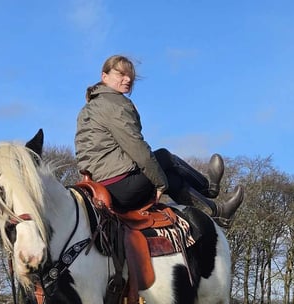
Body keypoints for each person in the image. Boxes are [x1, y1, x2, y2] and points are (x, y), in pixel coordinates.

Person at [75, 55, 244, 227]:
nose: (127, 79)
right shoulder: (114, 104)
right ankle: (207, 187)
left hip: (99, 185)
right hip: (118, 186)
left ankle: (215, 211)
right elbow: (136, 147)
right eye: (121, 74)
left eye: (130, 76)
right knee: (163, 158)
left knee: (167, 175)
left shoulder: (89, 108)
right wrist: (159, 182)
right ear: (105, 76)